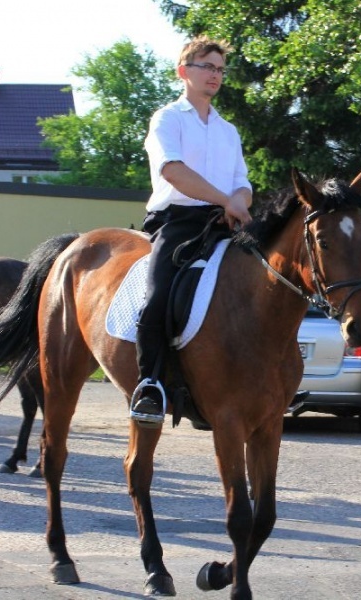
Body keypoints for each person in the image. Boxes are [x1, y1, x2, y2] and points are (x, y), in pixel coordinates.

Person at [129, 36, 253, 425]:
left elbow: (243, 183)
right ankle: (149, 385)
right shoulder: (168, 119)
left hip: (226, 222)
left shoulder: (228, 131)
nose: (215, 75)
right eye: (207, 67)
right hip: (179, 222)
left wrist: (238, 205)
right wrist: (225, 199)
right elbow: (173, 172)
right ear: (184, 72)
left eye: (220, 69)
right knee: (158, 297)